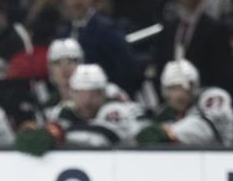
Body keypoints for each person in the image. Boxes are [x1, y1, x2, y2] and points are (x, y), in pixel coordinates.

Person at [14, 63, 145, 156]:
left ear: (103, 94)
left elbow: (99, 140)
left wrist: (59, 134)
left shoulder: (117, 110)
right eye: (80, 93)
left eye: (94, 93)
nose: (86, 99)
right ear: (72, 93)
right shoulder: (63, 111)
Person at [155, 0, 233, 97]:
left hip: (203, 94)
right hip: (172, 96)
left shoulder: (216, 29)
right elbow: (161, 63)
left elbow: (221, 71)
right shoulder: (169, 28)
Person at [58, 0, 142, 95]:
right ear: (65, 0)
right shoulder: (63, 32)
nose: (76, 2)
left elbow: (129, 69)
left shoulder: (107, 29)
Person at [135, 59, 233, 146]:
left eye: (178, 88)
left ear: (193, 86)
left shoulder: (213, 98)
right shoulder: (166, 112)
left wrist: (168, 132)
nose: (174, 94)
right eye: (170, 89)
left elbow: (206, 130)